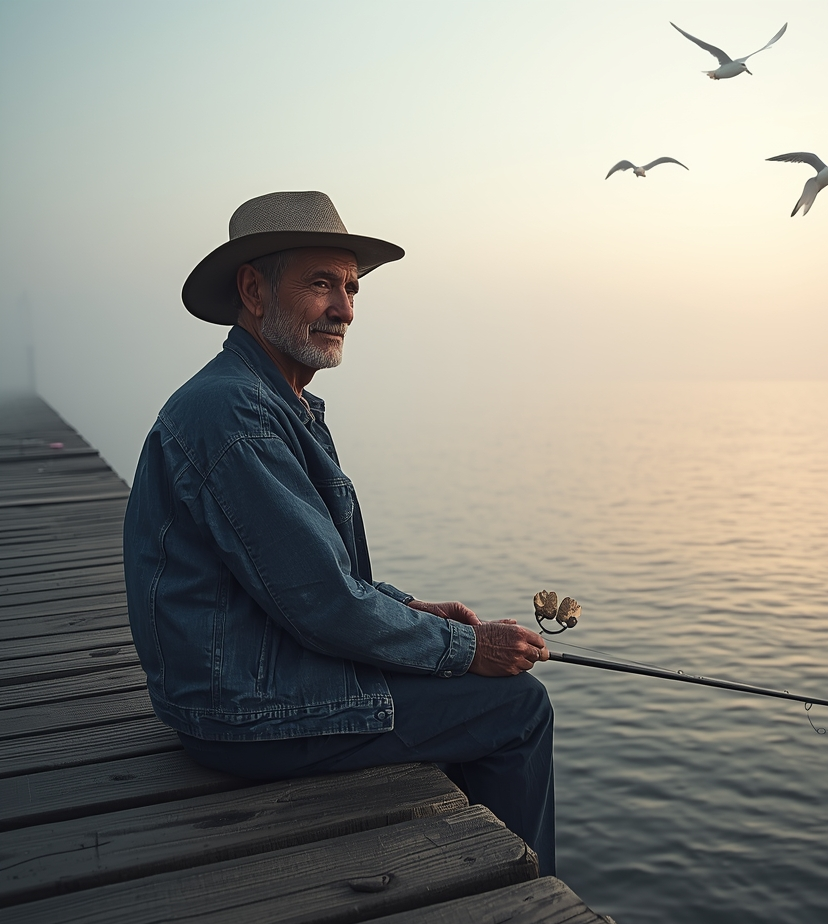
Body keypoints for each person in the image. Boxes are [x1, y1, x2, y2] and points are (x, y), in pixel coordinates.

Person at [122, 191, 555, 874]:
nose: (346, 308)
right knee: (516, 708)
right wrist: (465, 647)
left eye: (351, 288)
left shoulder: (273, 401)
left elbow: (307, 577)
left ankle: (458, 870)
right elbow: (323, 603)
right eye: (321, 283)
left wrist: (407, 611)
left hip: (242, 680)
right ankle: (519, 901)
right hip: (241, 711)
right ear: (253, 290)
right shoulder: (236, 414)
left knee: (457, 694)